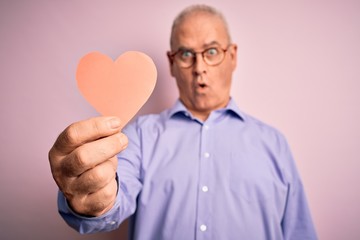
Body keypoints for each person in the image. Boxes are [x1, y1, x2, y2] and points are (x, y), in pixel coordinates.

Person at [49, 4, 317, 240]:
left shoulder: (274, 143)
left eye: (212, 51)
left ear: (232, 56)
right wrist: (90, 199)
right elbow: (112, 202)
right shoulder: (141, 135)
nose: (200, 67)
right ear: (172, 63)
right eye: (187, 54)